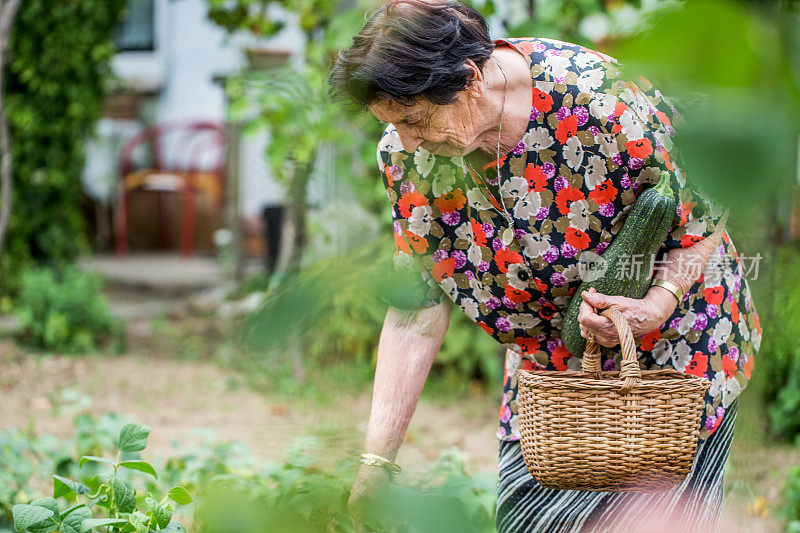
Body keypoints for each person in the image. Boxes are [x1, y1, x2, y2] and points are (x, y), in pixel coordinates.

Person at [328, 1, 761, 531]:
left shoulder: (600, 103)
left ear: (469, 80)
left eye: (414, 119)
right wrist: (377, 463)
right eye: (392, 124)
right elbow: (416, 308)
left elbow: (706, 208)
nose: (406, 140)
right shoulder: (408, 157)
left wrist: (656, 301)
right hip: (552, 383)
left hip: (672, 363)